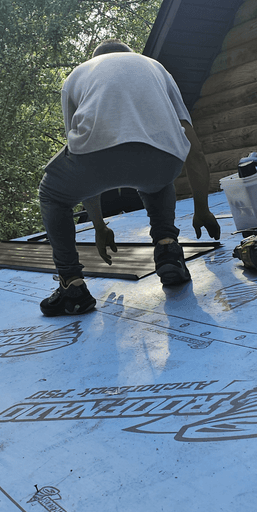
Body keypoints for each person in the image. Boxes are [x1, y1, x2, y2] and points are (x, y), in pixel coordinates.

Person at [38, 40, 220, 316]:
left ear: (94, 59)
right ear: (130, 55)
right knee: (159, 181)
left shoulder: (78, 74)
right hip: (161, 160)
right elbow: (193, 146)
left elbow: (80, 148)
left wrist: (99, 225)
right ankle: (168, 249)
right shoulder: (156, 68)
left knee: (52, 195)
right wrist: (202, 209)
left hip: (95, 160)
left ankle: (71, 285)